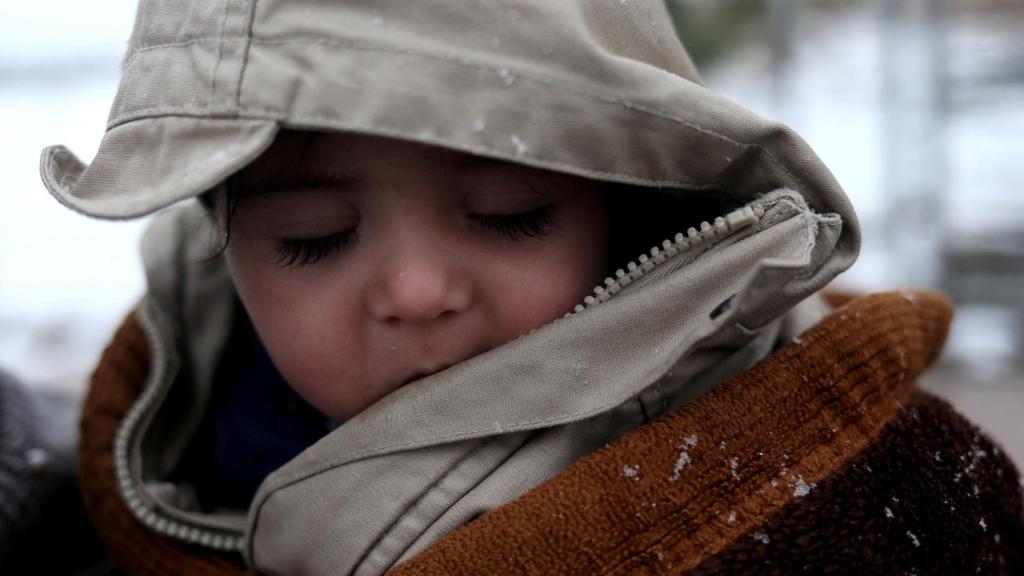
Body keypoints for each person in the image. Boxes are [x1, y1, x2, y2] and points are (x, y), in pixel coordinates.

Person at [31, 0, 1022, 574]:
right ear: (221, 243)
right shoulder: (166, 464)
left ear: (631, 202)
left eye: (508, 213)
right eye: (313, 239)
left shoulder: (834, 478)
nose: (417, 292)